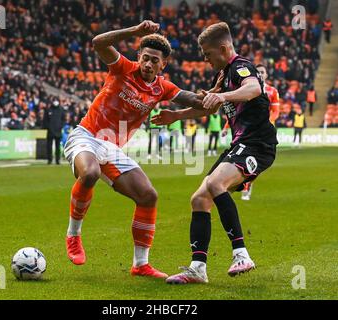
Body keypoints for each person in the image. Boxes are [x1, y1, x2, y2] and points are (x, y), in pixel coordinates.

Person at [63, 20, 204, 278]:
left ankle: (140, 264)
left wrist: (183, 112)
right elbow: (98, 43)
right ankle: (73, 235)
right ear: (139, 57)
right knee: (90, 173)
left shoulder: (163, 88)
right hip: (87, 136)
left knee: (148, 195)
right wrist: (134, 32)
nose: (148, 64)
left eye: (154, 61)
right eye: (145, 58)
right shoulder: (122, 68)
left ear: (164, 65)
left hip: (112, 148)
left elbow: (200, 103)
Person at [152, 22, 278, 284]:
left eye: (208, 54)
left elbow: (254, 89)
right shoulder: (223, 75)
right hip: (239, 144)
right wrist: (177, 114)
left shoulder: (241, 67)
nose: (205, 59)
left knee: (214, 182)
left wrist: (224, 97)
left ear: (223, 48)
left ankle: (241, 254)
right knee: (199, 198)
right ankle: (198, 268)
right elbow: (208, 108)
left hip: (258, 144)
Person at [241, 63, 280, 201]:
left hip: (265, 132)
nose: (261, 74)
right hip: (247, 130)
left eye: (263, 72)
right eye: (258, 72)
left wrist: (267, 122)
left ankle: (248, 183)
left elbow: (276, 111)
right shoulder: (247, 90)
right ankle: (243, 184)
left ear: (266, 74)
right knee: (241, 158)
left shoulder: (272, 91)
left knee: (259, 161)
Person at [43, 98, 65, 165]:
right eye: (54, 101)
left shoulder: (61, 110)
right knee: (49, 146)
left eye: (56, 101)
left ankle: (57, 160)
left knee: (57, 147)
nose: (55, 102)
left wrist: (60, 127)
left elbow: (63, 120)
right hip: (50, 131)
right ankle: (49, 160)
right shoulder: (48, 110)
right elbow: (45, 120)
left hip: (58, 131)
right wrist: (49, 128)